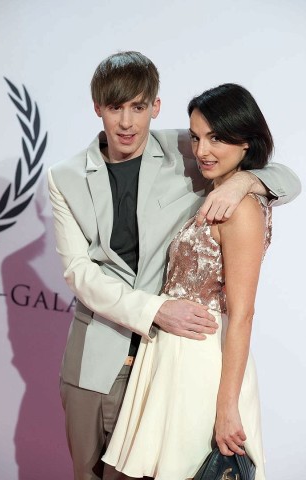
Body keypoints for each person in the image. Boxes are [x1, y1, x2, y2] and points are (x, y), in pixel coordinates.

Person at [48, 52, 301, 480]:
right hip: (96, 360)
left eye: (139, 107)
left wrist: (245, 180)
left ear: (156, 107)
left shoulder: (188, 149)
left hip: (170, 364)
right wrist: (156, 310)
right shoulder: (65, 177)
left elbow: (279, 172)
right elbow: (79, 272)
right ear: (97, 108)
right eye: (115, 108)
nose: (127, 123)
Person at [102, 83, 280, 480]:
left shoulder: (242, 209)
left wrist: (227, 405)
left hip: (203, 367)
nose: (201, 151)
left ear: (247, 141)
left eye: (216, 138)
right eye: (197, 137)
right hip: (173, 360)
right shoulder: (218, 192)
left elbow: (243, 312)